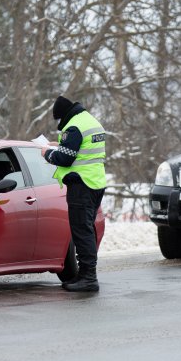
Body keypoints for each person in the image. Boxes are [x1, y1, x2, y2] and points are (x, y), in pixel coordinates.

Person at [41, 95, 106, 292]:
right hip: (95, 182)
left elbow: (65, 159)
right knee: (86, 229)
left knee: (82, 231)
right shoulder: (90, 121)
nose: (59, 125)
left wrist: (47, 153)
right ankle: (85, 274)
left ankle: (88, 277)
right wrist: (59, 145)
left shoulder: (74, 126)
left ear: (64, 116)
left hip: (81, 185)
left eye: (59, 121)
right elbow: (79, 149)